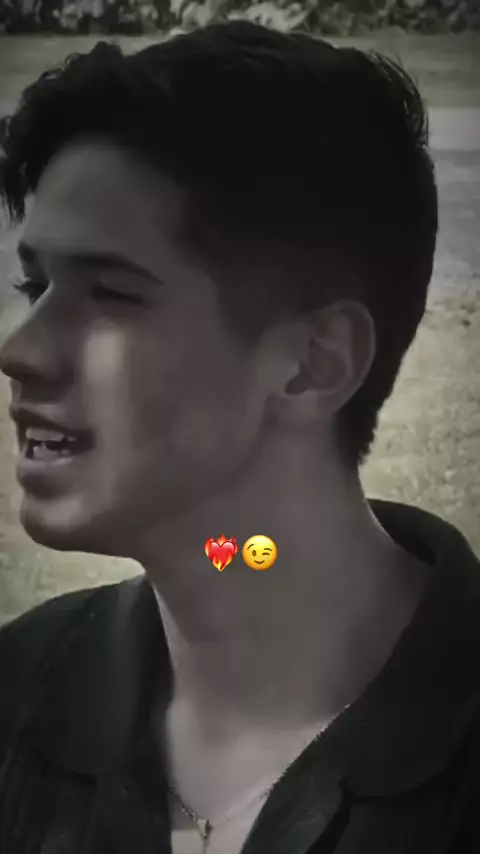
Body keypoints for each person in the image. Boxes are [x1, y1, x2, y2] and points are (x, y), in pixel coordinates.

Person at [0, 19, 478, 854]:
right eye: (34, 285)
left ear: (312, 365)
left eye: (112, 293)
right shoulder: (17, 694)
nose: (19, 351)